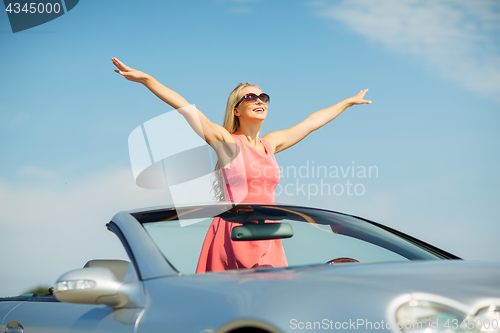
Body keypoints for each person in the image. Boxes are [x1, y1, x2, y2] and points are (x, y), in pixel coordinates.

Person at [112, 57, 371, 273]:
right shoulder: (227, 142)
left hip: (270, 232)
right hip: (236, 233)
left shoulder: (271, 144)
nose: (259, 101)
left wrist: (347, 103)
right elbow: (185, 108)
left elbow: (311, 122)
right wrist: (147, 80)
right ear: (236, 109)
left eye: (263, 97)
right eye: (250, 97)